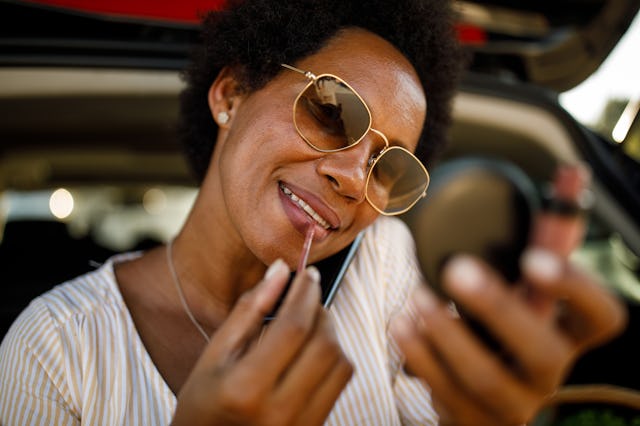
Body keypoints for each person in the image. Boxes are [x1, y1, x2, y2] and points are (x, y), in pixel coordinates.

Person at [0, 0, 626, 425]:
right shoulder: (58, 347)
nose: (355, 179)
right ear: (231, 93)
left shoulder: (382, 274)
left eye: (389, 167)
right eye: (332, 111)